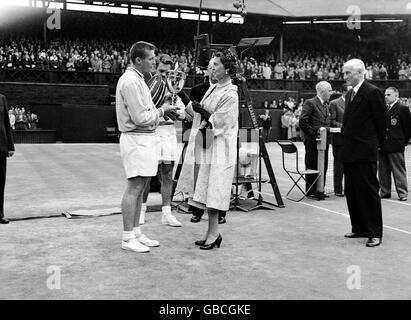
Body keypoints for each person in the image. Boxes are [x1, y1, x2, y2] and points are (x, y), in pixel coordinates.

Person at [116, 41, 177, 253]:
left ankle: (135, 232)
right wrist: (162, 111)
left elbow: (145, 114)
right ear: (138, 60)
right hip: (136, 138)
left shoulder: (138, 79)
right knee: (134, 187)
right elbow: (141, 117)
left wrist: (160, 112)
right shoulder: (131, 82)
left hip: (143, 138)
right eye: (151, 59)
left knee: (140, 186)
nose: (154, 62)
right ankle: (127, 237)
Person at [175, 49, 239, 250]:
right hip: (208, 143)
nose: (211, 67)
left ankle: (214, 233)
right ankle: (212, 233)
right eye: (211, 64)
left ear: (227, 69)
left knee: (216, 189)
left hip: (221, 147)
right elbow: (196, 111)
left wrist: (205, 115)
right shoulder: (213, 89)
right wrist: (180, 95)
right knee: (207, 188)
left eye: (216, 64)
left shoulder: (230, 93)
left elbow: (221, 122)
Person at [341, 59, 387, 248]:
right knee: (352, 191)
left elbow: (381, 122)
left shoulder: (372, 92)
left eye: (347, 73)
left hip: (365, 150)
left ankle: (374, 232)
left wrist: (376, 145)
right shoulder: (351, 93)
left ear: (360, 72)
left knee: (368, 191)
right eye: (344, 73)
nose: (344, 77)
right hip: (350, 151)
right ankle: (359, 227)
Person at [139, 54, 183, 227]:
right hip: (152, 133)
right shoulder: (147, 87)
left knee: (167, 175)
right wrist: (161, 110)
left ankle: (166, 213)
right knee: (147, 175)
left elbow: (181, 114)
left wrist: (176, 111)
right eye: (161, 71)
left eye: (168, 72)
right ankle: (141, 212)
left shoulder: (175, 89)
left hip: (169, 134)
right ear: (155, 69)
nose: (164, 75)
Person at [187, 58, 226, 225]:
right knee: (199, 170)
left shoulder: (226, 90)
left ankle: (221, 212)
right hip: (202, 132)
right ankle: (197, 210)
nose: (214, 71)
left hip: (218, 133)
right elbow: (189, 114)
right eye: (212, 68)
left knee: (218, 172)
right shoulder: (197, 89)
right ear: (208, 71)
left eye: (216, 67)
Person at [298, 81, 333, 199]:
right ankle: (311, 190)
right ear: (323, 92)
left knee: (323, 165)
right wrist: (314, 134)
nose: (331, 93)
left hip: (324, 141)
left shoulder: (327, 105)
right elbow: (302, 121)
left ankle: (320, 189)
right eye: (329, 90)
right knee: (312, 164)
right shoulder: (310, 103)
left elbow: (328, 121)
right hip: (313, 141)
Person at [378, 87, 411, 201]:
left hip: (395, 144)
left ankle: (402, 193)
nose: (385, 96)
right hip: (383, 144)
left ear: (396, 96)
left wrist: (403, 142)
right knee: (383, 170)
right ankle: (385, 191)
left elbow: (407, 129)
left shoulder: (403, 109)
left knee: (398, 170)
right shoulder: (383, 108)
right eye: (385, 94)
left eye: (388, 94)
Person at [329, 84, 351, 196]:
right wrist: (344, 127)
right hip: (339, 139)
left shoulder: (354, 103)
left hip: (352, 139)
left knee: (350, 165)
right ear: (344, 92)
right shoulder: (334, 103)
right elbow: (332, 121)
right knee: (339, 165)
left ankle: (349, 189)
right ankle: (338, 189)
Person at [0, 94, 15, 224]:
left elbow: (6, 122)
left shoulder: (2, 98)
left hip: (1, 146)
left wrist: (10, 146)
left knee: (0, 182)